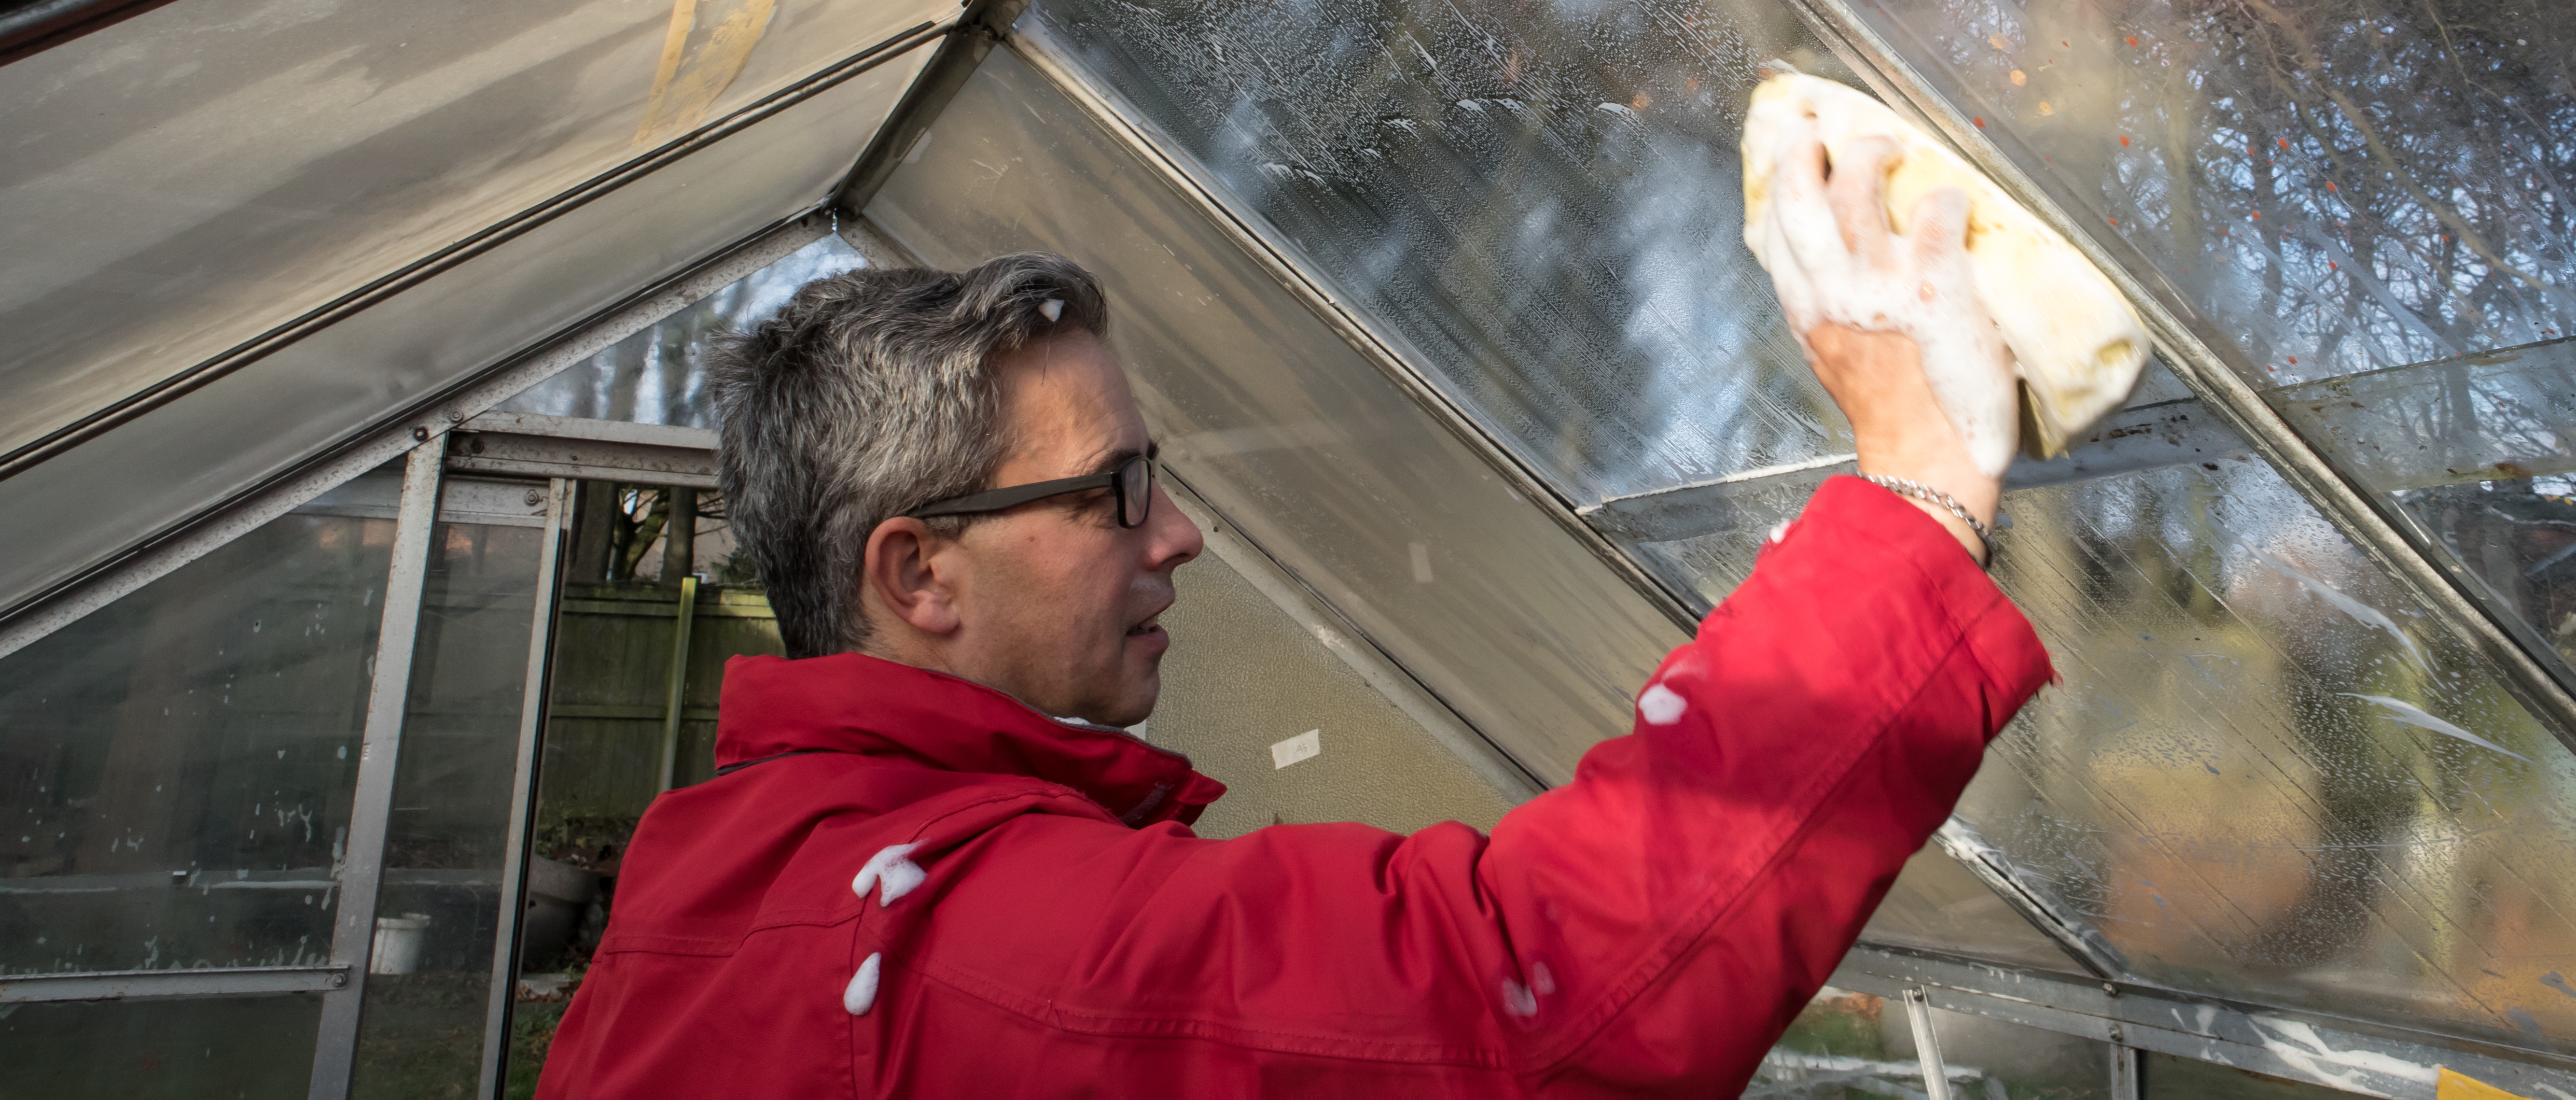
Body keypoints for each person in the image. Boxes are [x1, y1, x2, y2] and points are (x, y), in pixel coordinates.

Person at [533, 134, 2050, 1096]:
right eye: (1115, 491)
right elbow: (1530, 1003)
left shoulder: (707, 896)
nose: (1180, 535)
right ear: (919, 574)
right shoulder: (958, 947)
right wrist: (1916, 494)